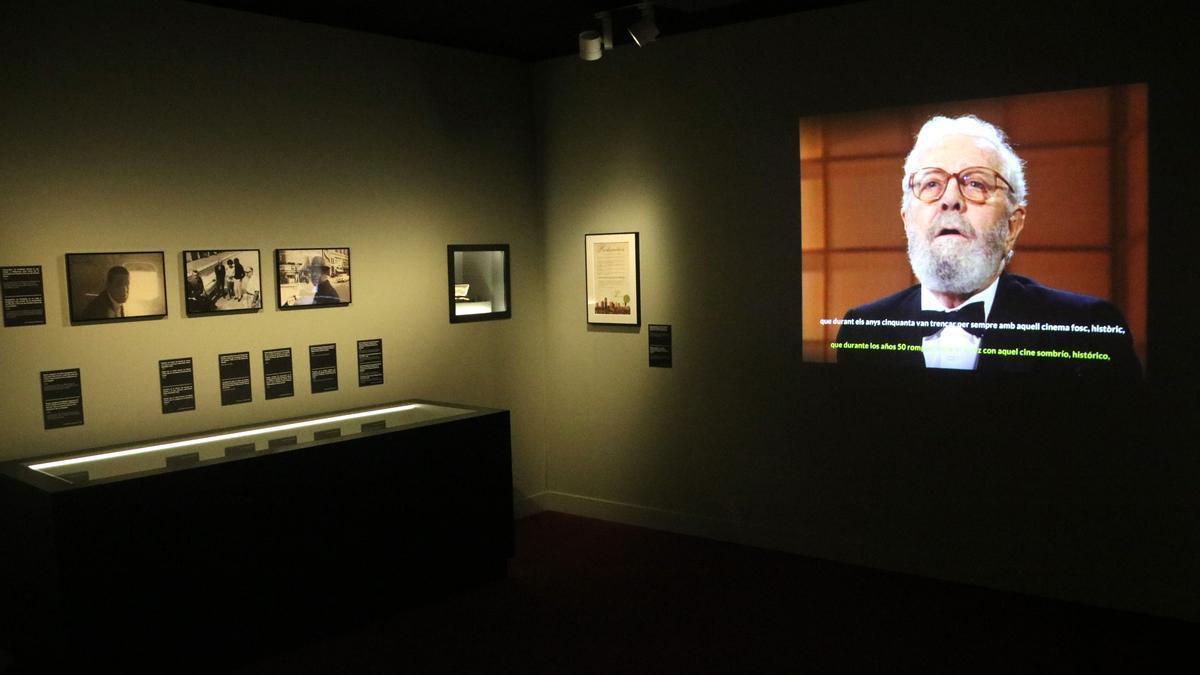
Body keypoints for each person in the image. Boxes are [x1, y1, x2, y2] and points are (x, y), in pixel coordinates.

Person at [835, 115, 1140, 379]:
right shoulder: (861, 331)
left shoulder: (1088, 328)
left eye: (975, 184)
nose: (950, 199)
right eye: (930, 184)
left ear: (1012, 226)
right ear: (906, 222)